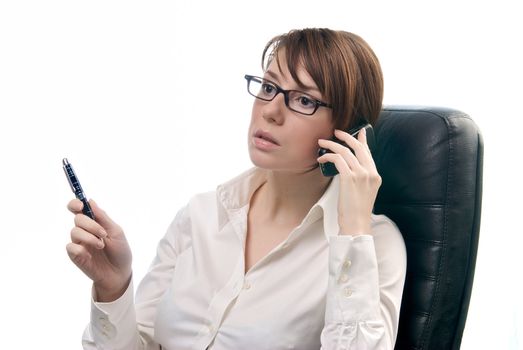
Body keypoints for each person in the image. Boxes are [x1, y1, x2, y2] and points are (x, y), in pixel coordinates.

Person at [66, 28, 407, 350]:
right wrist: (113, 288)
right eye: (269, 87)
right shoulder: (201, 215)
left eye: (304, 100)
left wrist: (352, 234)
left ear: (348, 131)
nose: (270, 111)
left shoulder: (374, 246)